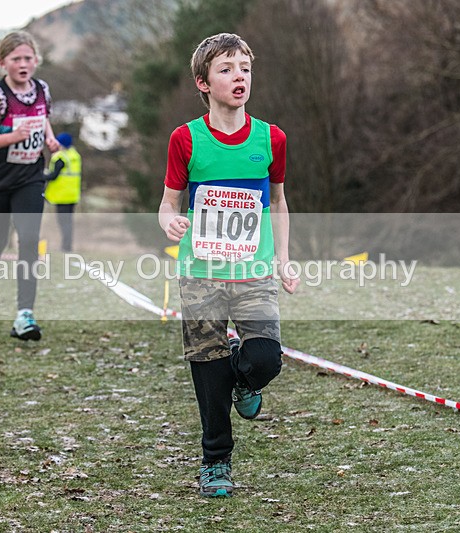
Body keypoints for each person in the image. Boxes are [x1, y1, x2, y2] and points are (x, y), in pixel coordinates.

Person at [157, 33, 300, 498]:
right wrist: (170, 222)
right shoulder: (186, 139)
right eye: (226, 69)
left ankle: (243, 376)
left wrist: (283, 259)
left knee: (265, 360)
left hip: (253, 271)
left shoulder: (271, 138)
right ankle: (215, 460)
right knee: (207, 366)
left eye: (245, 68)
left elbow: (278, 202)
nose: (239, 76)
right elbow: (167, 203)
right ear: (203, 82)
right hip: (201, 272)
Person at [0, 30, 60, 341]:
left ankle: (24, 315)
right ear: (2, 63)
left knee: (29, 238)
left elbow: (42, 117)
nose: (23, 64)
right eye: (16, 59)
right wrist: (11, 137)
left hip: (29, 176)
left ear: (36, 60)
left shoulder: (42, 89)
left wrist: (49, 138)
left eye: (28, 58)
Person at [43, 132, 81, 252]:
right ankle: (67, 246)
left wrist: (40, 176)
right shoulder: (75, 155)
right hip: (72, 195)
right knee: (68, 223)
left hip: (61, 195)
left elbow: (53, 176)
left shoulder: (61, 158)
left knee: (63, 223)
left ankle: (65, 247)